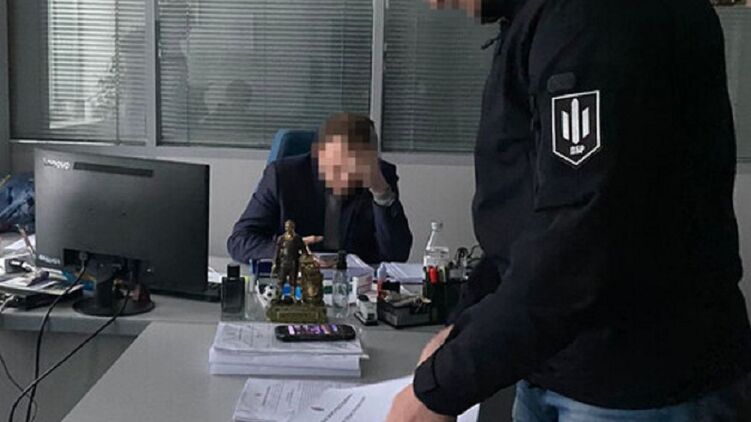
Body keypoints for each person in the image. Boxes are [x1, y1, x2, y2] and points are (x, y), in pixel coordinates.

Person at [387, 0, 751, 421]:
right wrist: (464, 328)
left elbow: (580, 242)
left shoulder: (593, 18)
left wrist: (443, 386)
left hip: (636, 383)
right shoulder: (540, 19)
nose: (434, 3)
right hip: (559, 366)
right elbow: (526, 225)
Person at [228, 112, 413, 264]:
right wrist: (286, 251)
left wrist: (381, 192)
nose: (345, 179)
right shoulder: (283, 176)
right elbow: (239, 240)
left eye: (353, 170)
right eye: (337, 168)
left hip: (357, 287)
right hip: (296, 282)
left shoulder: (380, 177)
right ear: (318, 156)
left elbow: (397, 256)